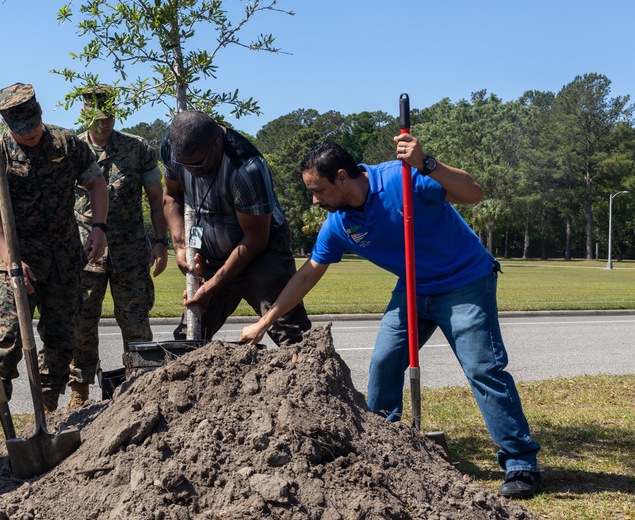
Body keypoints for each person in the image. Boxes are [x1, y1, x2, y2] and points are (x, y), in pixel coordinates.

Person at [239, 138, 542, 499]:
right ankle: (382, 443)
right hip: (412, 288)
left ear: (341, 178)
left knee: (482, 368)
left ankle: (520, 461)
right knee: (384, 360)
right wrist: (265, 321)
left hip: (465, 281)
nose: (315, 201)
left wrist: (427, 162)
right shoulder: (339, 224)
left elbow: (472, 193)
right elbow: (307, 275)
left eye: (318, 191)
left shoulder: (402, 178)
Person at [0, 83, 109, 441]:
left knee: (62, 340)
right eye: (20, 130)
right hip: (17, 260)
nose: (28, 135)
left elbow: (96, 184)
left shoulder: (67, 144)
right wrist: (11, 258)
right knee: (9, 338)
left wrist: (98, 227)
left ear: (40, 113)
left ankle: (46, 412)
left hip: (65, 258)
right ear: (6, 126)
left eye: (32, 126)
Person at [160, 110, 311, 344]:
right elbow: (171, 195)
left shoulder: (247, 168)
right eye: (185, 165)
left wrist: (212, 287)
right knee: (188, 336)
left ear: (217, 142)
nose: (192, 171)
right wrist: (181, 247)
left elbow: (255, 239)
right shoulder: (172, 147)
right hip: (211, 254)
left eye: (198, 164)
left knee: (291, 334)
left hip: (261, 253)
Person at [65, 86, 169, 407]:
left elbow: (156, 200)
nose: (104, 124)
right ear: (84, 114)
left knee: (136, 322)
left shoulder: (138, 148)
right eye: (97, 118)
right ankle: (80, 390)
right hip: (86, 254)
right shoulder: (72, 149)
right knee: (82, 322)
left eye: (109, 116)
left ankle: (142, 388)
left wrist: (162, 242)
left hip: (131, 254)